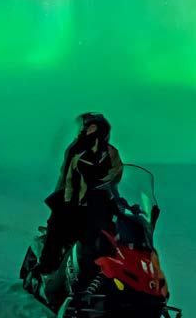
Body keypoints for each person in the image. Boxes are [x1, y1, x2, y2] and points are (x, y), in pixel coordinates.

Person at [36, 113, 122, 274]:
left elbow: (116, 175)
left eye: (93, 126)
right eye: (87, 126)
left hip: (99, 203)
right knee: (56, 226)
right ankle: (47, 266)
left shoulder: (111, 153)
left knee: (113, 236)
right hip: (76, 202)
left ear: (102, 130)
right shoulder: (77, 151)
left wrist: (106, 189)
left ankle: (108, 273)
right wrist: (68, 202)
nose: (89, 130)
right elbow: (68, 179)